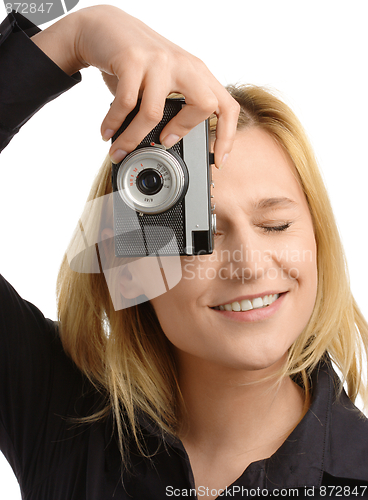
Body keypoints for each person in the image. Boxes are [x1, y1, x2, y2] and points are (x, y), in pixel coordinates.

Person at [1, 5, 368, 500]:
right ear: (133, 261)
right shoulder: (58, 415)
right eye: (205, 233)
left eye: (276, 224)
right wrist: (74, 37)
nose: (251, 265)